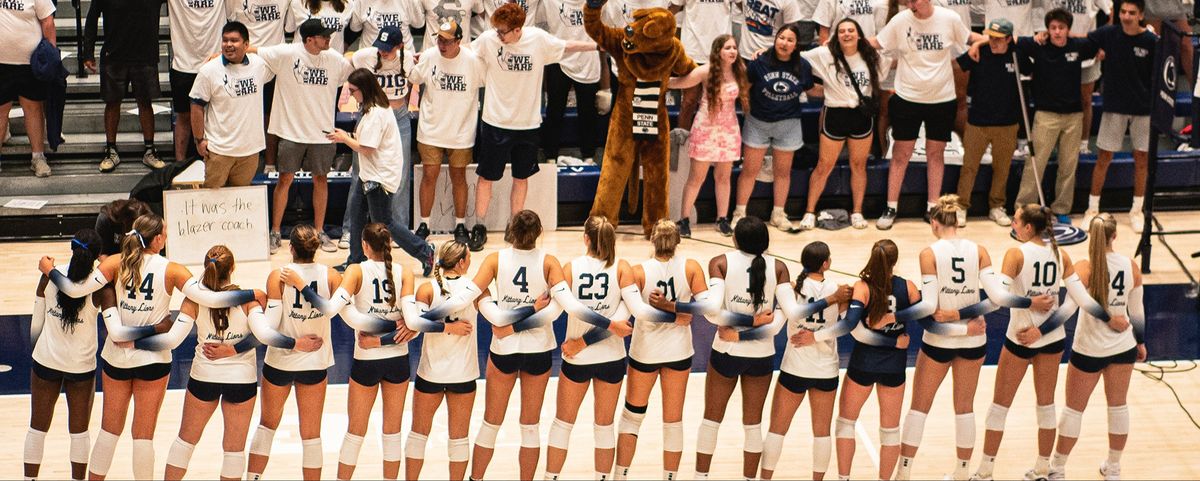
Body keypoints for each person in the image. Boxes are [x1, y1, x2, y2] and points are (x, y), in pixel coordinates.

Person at [37, 213, 257, 481]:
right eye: (164, 232)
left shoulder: (114, 262)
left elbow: (73, 290)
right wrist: (250, 295)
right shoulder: (174, 270)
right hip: (153, 360)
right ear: (158, 239)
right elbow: (208, 297)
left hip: (117, 357)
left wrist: (50, 271)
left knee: (108, 432)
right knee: (143, 436)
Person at [654, 216, 787, 480]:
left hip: (726, 352)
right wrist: (750, 330)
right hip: (761, 356)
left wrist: (672, 306)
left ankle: (700, 477)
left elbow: (712, 314)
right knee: (753, 425)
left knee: (710, 421)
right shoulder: (780, 267)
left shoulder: (720, 262)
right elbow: (774, 326)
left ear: (735, 239)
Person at [285, 223, 417, 480]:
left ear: (364, 246)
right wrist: (391, 334)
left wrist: (301, 285)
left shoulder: (356, 270)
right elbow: (412, 323)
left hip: (366, 360)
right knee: (393, 433)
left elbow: (331, 309)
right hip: (398, 360)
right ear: (389, 245)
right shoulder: (405, 271)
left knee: (355, 432)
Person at [970, 204, 1088, 481]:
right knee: (1046, 406)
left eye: (1017, 220)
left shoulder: (1016, 254)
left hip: (1020, 337)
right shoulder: (1061, 253)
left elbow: (999, 297)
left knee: (999, 405)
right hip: (1052, 338)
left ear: (1028, 228)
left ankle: (985, 472)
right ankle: (1042, 470)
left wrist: (1028, 302)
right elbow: (1078, 301)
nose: (1012, 223)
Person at [467, 2, 596, 251]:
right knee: (486, 177)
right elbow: (465, 52)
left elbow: (568, 46)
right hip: (495, 121)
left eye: (503, 32)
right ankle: (479, 226)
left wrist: (600, 46)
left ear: (518, 29)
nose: (499, 36)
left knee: (521, 177)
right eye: (497, 31)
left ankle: (515, 228)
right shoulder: (488, 40)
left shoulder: (538, 39)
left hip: (527, 124)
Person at [138, 246, 271, 481]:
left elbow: (171, 340)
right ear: (232, 268)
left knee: (185, 441)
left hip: (204, 378)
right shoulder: (251, 298)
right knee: (234, 451)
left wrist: (135, 343)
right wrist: (233, 349)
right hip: (240, 380)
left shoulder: (194, 300)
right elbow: (263, 336)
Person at [892, 195, 998, 481]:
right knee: (965, 409)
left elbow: (928, 307)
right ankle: (962, 472)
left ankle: (903, 472)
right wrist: (965, 316)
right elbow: (997, 300)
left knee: (919, 407)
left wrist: (898, 316)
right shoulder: (980, 250)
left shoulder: (929, 253)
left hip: (939, 341)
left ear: (935, 223)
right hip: (974, 339)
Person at [1045, 214, 1147, 480]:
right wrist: (1141, 340)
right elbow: (1137, 312)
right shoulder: (1131, 266)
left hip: (1089, 350)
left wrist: (1041, 330)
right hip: (1123, 348)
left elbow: (1067, 310)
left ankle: (1057, 468)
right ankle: (1113, 467)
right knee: (1118, 407)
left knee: (1073, 410)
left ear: (1090, 236)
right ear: (1115, 236)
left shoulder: (1084, 268)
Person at [872, 0, 979, 229]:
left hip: (941, 98)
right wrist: (846, 40)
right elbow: (877, 43)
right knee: (901, 154)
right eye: (908, 1)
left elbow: (970, 39)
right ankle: (891, 206)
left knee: (935, 154)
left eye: (915, 0)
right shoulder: (900, 20)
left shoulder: (949, 18)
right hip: (907, 97)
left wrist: (996, 40)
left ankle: (932, 207)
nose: (911, 4)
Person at [612, 219, 706, 481]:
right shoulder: (691, 267)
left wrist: (666, 307)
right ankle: (670, 477)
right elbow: (708, 309)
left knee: (632, 417)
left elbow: (631, 312)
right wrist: (676, 310)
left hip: (645, 352)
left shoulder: (638, 271)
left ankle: (621, 476)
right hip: (679, 353)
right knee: (673, 421)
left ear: (651, 240)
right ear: (678, 242)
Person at [544, 216, 636, 481]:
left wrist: (581, 342)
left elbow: (557, 308)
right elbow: (618, 323)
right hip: (612, 357)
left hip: (577, 357)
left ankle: (550, 478)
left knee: (562, 424)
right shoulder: (623, 268)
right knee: (604, 427)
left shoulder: (571, 268)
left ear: (586, 238)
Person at [246, 225, 340, 480]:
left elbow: (271, 325)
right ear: (317, 248)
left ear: (290, 248)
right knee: (311, 435)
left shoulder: (278, 275)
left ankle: (253, 478)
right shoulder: (331, 276)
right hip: (315, 362)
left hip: (280, 362)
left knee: (266, 427)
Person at [257, 18, 353, 254]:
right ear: (310, 39)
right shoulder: (287, 53)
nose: (329, 39)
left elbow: (356, 65)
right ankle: (276, 231)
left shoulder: (335, 59)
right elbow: (254, 49)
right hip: (291, 130)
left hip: (322, 132)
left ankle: (319, 231)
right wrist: (216, 56)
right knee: (285, 180)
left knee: (321, 180)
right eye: (324, 36)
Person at [759, 242, 852, 481]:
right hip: (826, 370)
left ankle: (765, 478)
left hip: (795, 368)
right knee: (822, 434)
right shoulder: (839, 291)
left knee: (777, 430)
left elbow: (777, 324)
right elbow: (844, 328)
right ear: (826, 263)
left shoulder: (792, 288)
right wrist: (818, 335)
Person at [329, 68, 436, 276]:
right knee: (357, 216)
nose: (351, 95)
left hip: (379, 177)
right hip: (368, 175)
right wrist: (348, 134)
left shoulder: (377, 112)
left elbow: (367, 148)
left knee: (385, 223)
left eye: (353, 90)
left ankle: (425, 251)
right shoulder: (370, 108)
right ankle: (355, 261)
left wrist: (344, 138)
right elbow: (365, 138)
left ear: (364, 89)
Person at [829, 239, 913, 481]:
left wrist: (846, 308)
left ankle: (844, 478)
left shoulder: (862, 287)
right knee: (890, 431)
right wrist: (896, 330)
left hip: (863, 362)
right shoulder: (908, 287)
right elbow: (925, 311)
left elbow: (852, 327)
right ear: (895, 262)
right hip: (894, 365)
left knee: (846, 423)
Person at [25, 230, 104, 481]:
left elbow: (36, 323)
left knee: (37, 428)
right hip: (80, 366)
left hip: (46, 360)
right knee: (79, 432)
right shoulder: (99, 286)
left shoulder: (49, 276)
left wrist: (38, 351)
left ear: (71, 248)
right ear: (96, 255)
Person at [1006, 8, 1097, 225]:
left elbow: (1096, 42)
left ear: (1068, 29)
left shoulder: (1077, 47)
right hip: (1046, 115)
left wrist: (1075, 36)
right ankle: (1023, 208)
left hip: (1073, 116)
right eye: (1053, 28)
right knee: (1035, 163)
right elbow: (1013, 40)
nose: (1057, 32)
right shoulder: (1039, 46)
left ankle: (1062, 208)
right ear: (1047, 29)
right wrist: (1038, 36)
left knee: (1068, 166)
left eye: (1061, 28)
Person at [403, 240, 483, 480]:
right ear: (460, 262)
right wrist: (450, 327)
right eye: (469, 257)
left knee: (418, 434)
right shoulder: (474, 289)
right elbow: (497, 319)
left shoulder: (427, 289)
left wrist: (444, 327)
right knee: (459, 438)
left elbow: (415, 325)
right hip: (463, 374)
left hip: (431, 373)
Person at [800, 18, 887, 230]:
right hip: (835, 115)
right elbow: (795, 54)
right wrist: (762, 52)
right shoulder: (824, 54)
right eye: (842, 31)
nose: (846, 34)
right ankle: (809, 212)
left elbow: (889, 65)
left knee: (859, 166)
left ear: (859, 35)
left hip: (861, 116)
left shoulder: (872, 57)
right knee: (824, 165)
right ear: (836, 36)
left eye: (851, 30)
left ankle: (857, 212)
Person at [339, 25, 417, 251]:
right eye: (380, 47)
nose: (382, 52)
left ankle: (397, 231)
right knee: (360, 175)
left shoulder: (408, 58)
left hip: (399, 117)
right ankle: (348, 230)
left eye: (388, 49)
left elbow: (413, 81)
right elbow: (350, 70)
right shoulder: (365, 56)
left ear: (400, 46)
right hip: (371, 114)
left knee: (399, 177)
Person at [733, 24, 817, 233]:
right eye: (781, 38)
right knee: (749, 170)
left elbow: (811, 89)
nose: (784, 43)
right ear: (775, 39)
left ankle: (778, 213)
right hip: (758, 122)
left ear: (796, 45)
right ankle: (740, 213)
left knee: (783, 172)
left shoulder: (803, 66)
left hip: (788, 124)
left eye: (790, 40)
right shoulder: (759, 62)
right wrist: (746, 110)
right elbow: (744, 89)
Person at [1084, 0, 1157, 233]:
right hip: (1114, 107)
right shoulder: (1108, 34)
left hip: (1143, 110)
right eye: (1123, 12)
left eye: (1132, 13)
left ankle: (1137, 210)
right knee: (1103, 157)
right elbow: (1081, 41)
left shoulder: (1152, 42)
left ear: (1141, 15)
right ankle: (1092, 209)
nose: (1126, 16)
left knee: (1142, 160)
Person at [410, 20, 485, 246]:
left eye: (447, 41)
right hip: (431, 128)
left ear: (459, 41)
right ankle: (424, 224)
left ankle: (460, 225)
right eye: (439, 39)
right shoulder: (430, 56)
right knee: (429, 176)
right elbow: (413, 79)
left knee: (459, 178)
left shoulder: (472, 62)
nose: (442, 45)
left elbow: (491, 80)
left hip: (461, 130)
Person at [669, 35, 749, 238]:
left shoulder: (740, 70)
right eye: (727, 48)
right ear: (718, 51)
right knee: (697, 178)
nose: (732, 51)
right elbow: (680, 83)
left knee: (723, 177)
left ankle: (722, 219)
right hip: (705, 128)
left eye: (734, 48)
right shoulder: (705, 71)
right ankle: (684, 219)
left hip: (729, 129)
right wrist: (653, 77)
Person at [953, 19, 1024, 228]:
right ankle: (962, 206)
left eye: (999, 39)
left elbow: (1031, 60)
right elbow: (959, 65)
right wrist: (978, 44)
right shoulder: (979, 52)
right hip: (978, 122)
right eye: (991, 38)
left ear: (1009, 39)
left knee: (1002, 168)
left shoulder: (1017, 53)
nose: (993, 42)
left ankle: (996, 206)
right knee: (969, 167)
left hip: (1008, 122)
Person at [82, 0, 166, 174]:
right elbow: (91, 19)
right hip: (114, 54)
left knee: (145, 103)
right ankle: (111, 150)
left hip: (145, 54)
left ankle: (149, 150)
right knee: (112, 103)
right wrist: (88, 52)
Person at [191, 22, 275, 189]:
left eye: (234, 41)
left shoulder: (259, 65)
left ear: (246, 44)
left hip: (250, 152)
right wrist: (199, 139)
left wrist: (250, 51)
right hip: (219, 151)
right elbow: (196, 106)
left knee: (239, 203)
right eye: (225, 40)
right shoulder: (208, 70)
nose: (228, 45)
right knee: (212, 204)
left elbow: (279, 57)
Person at [227, 0, 290, 175]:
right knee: (242, 114)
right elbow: (229, 23)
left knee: (271, 116)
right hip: (245, 63)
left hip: (274, 64)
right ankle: (241, 161)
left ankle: (270, 163)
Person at [1043, 0, 1111, 156]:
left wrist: (1102, 43)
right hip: (1059, 51)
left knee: (1085, 100)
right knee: (1056, 96)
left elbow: (1110, 13)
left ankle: (1083, 142)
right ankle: (1055, 141)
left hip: (1087, 50)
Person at [541, 0, 603, 166]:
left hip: (587, 58)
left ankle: (589, 155)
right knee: (554, 109)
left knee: (588, 111)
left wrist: (606, 87)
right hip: (559, 58)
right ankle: (550, 156)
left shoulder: (597, 3)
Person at [167, 0, 226, 166]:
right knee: (183, 116)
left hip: (215, 63)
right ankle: (179, 164)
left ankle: (217, 163)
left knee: (217, 117)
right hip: (183, 65)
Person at [0, 0, 54, 177]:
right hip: (1, 63)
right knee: (0, 111)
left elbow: (47, 21)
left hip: (30, 63)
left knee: (33, 109)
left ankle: (38, 158)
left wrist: (52, 56)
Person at [669, 0, 733, 131]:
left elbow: (746, 9)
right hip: (693, 51)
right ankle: (682, 144)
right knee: (688, 102)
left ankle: (714, 145)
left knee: (718, 103)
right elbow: (672, 10)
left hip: (721, 52)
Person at [736, 0, 802, 61]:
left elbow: (792, 31)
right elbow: (739, 3)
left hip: (770, 55)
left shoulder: (788, 2)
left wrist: (773, 50)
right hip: (745, 52)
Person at [289, 0, 355, 52]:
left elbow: (354, 29)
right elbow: (289, 29)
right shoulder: (298, 3)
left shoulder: (348, 4)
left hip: (333, 60)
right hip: (302, 60)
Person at [812, 0, 889, 43]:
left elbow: (881, 31)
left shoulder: (880, 2)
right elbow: (824, 31)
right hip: (838, 50)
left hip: (868, 50)